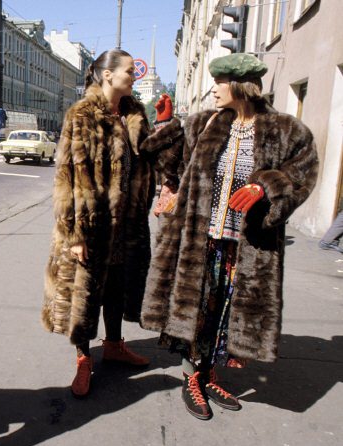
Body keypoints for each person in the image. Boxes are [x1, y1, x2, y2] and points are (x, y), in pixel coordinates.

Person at [140, 53, 318, 420]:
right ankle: (192, 377)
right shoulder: (202, 124)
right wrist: (164, 122)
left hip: (248, 244)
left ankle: (210, 373)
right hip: (199, 239)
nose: (214, 90)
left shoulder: (286, 130)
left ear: (239, 86)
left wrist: (266, 187)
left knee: (226, 311)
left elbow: (302, 174)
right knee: (198, 309)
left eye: (219, 83)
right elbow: (162, 160)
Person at [41, 49, 155, 400]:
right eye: (128, 70)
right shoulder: (82, 115)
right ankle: (83, 359)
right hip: (92, 225)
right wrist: (75, 232)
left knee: (117, 288)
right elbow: (70, 177)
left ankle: (115, 345)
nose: (134, 74)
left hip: (128, 223)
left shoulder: (135, 114)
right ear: (107, 75)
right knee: (85, 292)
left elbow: (146, 163)